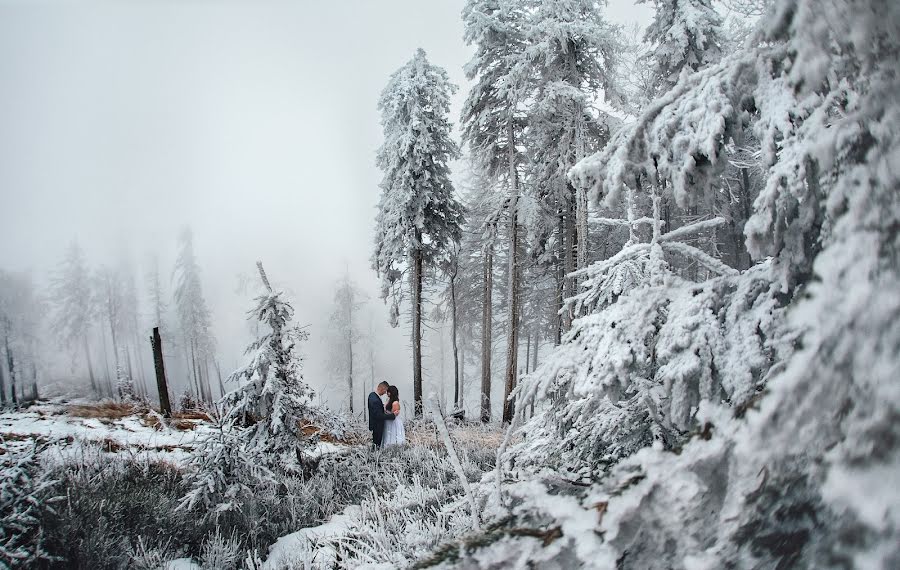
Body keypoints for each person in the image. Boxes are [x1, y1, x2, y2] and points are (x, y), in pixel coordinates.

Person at [368, 381, 395, 448]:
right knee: (377, 444)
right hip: (377, 425)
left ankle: (374, 455)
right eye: (385, 390)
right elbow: (378, 415)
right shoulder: (375, 400)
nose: (385, 393)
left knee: (376, 444)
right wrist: (392, 416)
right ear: (382, 388)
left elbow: (376, 409)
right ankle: (375, 457)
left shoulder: (372, 395)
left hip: (375, 424)